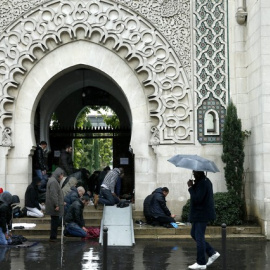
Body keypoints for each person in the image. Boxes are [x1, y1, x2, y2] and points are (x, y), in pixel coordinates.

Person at [187, 171, 220, 270]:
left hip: (202, 214)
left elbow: (198, 198)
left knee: (199, 237)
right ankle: (212, 252)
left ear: (199, 172)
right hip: (199, 214)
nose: (193, 173)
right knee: (194, 234)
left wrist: (191, 187)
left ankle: (201, 263)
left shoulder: (204, 182)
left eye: (194, 172)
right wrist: (193, 185)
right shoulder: (202, 181)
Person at [46, 167, 65, 242]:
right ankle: (53, 237)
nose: (62, 177)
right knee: (54, 222)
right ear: (59, 175)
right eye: (62, 175)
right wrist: (56, 205)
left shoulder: (53, 180)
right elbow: (54, 195)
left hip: (54, 205)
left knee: (54, 221)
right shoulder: (54, 182)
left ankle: (53, 237)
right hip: (54, 206)